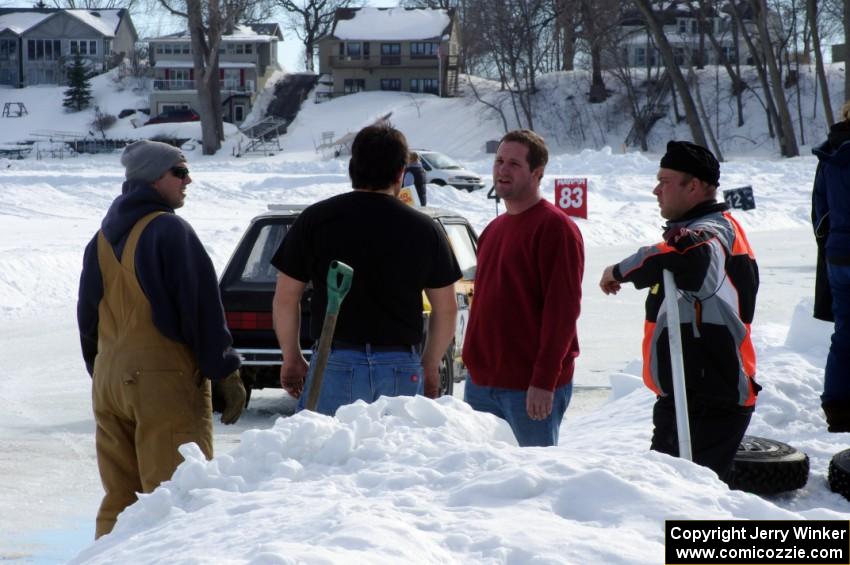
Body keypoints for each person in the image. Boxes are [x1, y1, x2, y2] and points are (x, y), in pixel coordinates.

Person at [77, 140, 245, 538]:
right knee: (174, 494)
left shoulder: (99, 240)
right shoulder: (169, 230)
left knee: (120, 499)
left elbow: (87, 319)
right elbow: (200, 307)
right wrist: (224, 370)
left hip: (108, 380)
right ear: (154, 178)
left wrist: (104, 372)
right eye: (180, 172)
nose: (189, 180)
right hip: (160, 381)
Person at [271, 124, 460, 415]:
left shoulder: (315, 220)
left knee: (326, 456)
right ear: (401, 173)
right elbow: (446, 308)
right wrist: (430, 363)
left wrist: (291, 356)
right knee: (391, 457)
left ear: (352, 167)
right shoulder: (425, 230)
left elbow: (286, 297)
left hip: (334, 362)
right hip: (399, 365)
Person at [599, 140, 759, 482]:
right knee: (668, 497)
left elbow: (691, 256)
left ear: (694, 186)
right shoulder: (697, 231)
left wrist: (620, 269)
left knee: (690, 507)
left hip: (709, 399)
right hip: (687, 395)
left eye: (665, 181)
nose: (656, 190)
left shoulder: (713, 232)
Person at [462, 129, 584, 447]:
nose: (502, 170)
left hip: (529, 388)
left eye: (514, 164)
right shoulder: (493, 230)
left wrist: (544, 380)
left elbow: (562, 313)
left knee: (532, 485)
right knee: (481, 479)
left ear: (537, 172)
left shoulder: (556, 229)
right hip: (481, 384)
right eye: (499, 161)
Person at [813, 101, 850, 432]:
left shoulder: (832, 155)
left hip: (839, 256)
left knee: (845, 334)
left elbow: (819, 213)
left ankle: (837, 406)